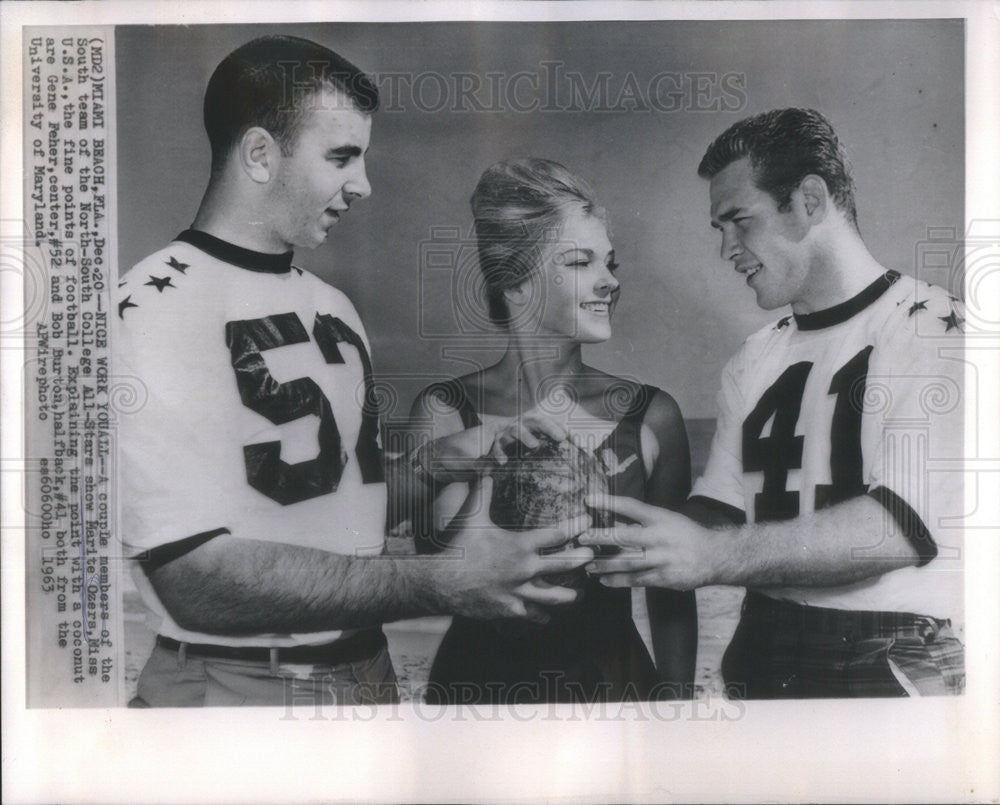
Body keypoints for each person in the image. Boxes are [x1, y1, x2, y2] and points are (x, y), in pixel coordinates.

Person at [115, 36, 592, 708]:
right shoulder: (152, 307)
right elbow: (194, 579)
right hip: (235, 688)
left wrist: (439, 464)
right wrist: (440, 580)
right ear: (259, 154)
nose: (363, 185)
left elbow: (333, 518)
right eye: (341, 157)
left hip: (366, 673)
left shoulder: (330, 305)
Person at [583, 108, 965, 698]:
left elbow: (894, 531)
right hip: (761, 642)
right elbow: (723, 509)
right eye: (718, 228)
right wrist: (613, 523)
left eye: (739, 221)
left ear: (810, 200)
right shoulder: (755, 356)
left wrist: (710, 555)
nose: (726, 249)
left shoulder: (938, 328)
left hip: (893, 647)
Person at [398, 158, 696, 704]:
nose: (611, 282)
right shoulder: (447, 411)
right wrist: (484, 464)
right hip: (478, 693)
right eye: (581, 262)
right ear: (515, 284)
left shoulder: (651, 417)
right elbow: (438, 573)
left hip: (615, 688)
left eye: (610, 263)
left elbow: (671, 594)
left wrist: (679, 711)